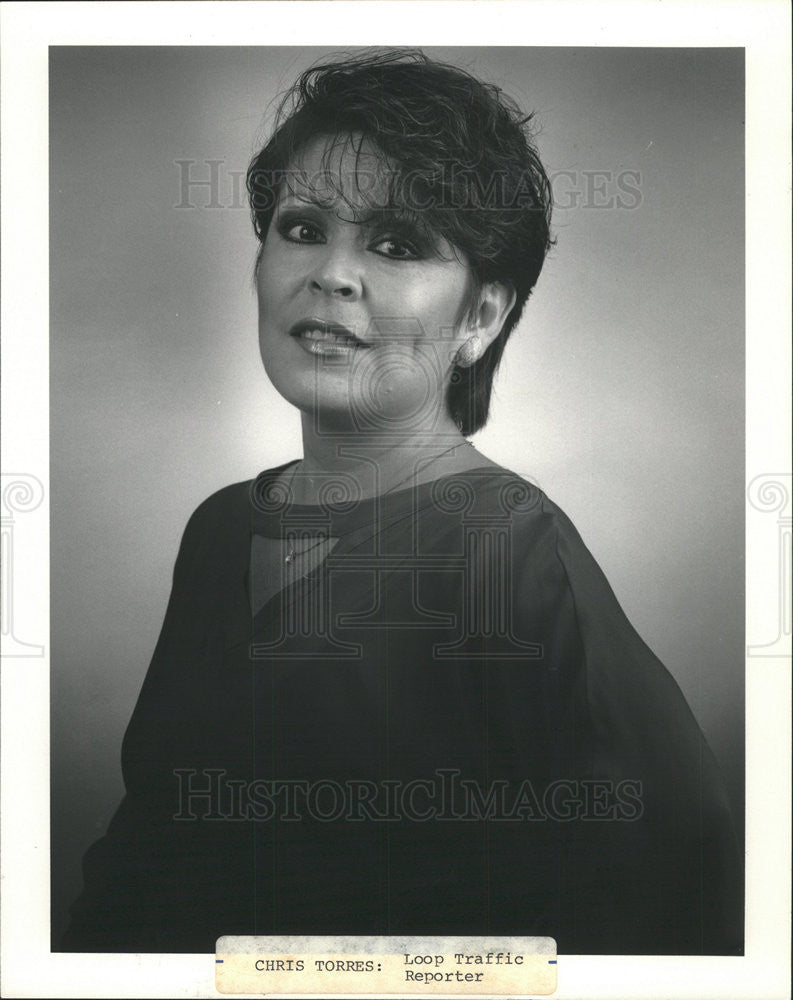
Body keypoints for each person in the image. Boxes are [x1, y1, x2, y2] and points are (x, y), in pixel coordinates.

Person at [61, 49, 742, 955]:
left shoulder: (510, 549)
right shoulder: (222, 527)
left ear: (480, 318)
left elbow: (677, 867)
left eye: (397, 244)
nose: (332, 275)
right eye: (302, 228)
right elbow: (148, 858)